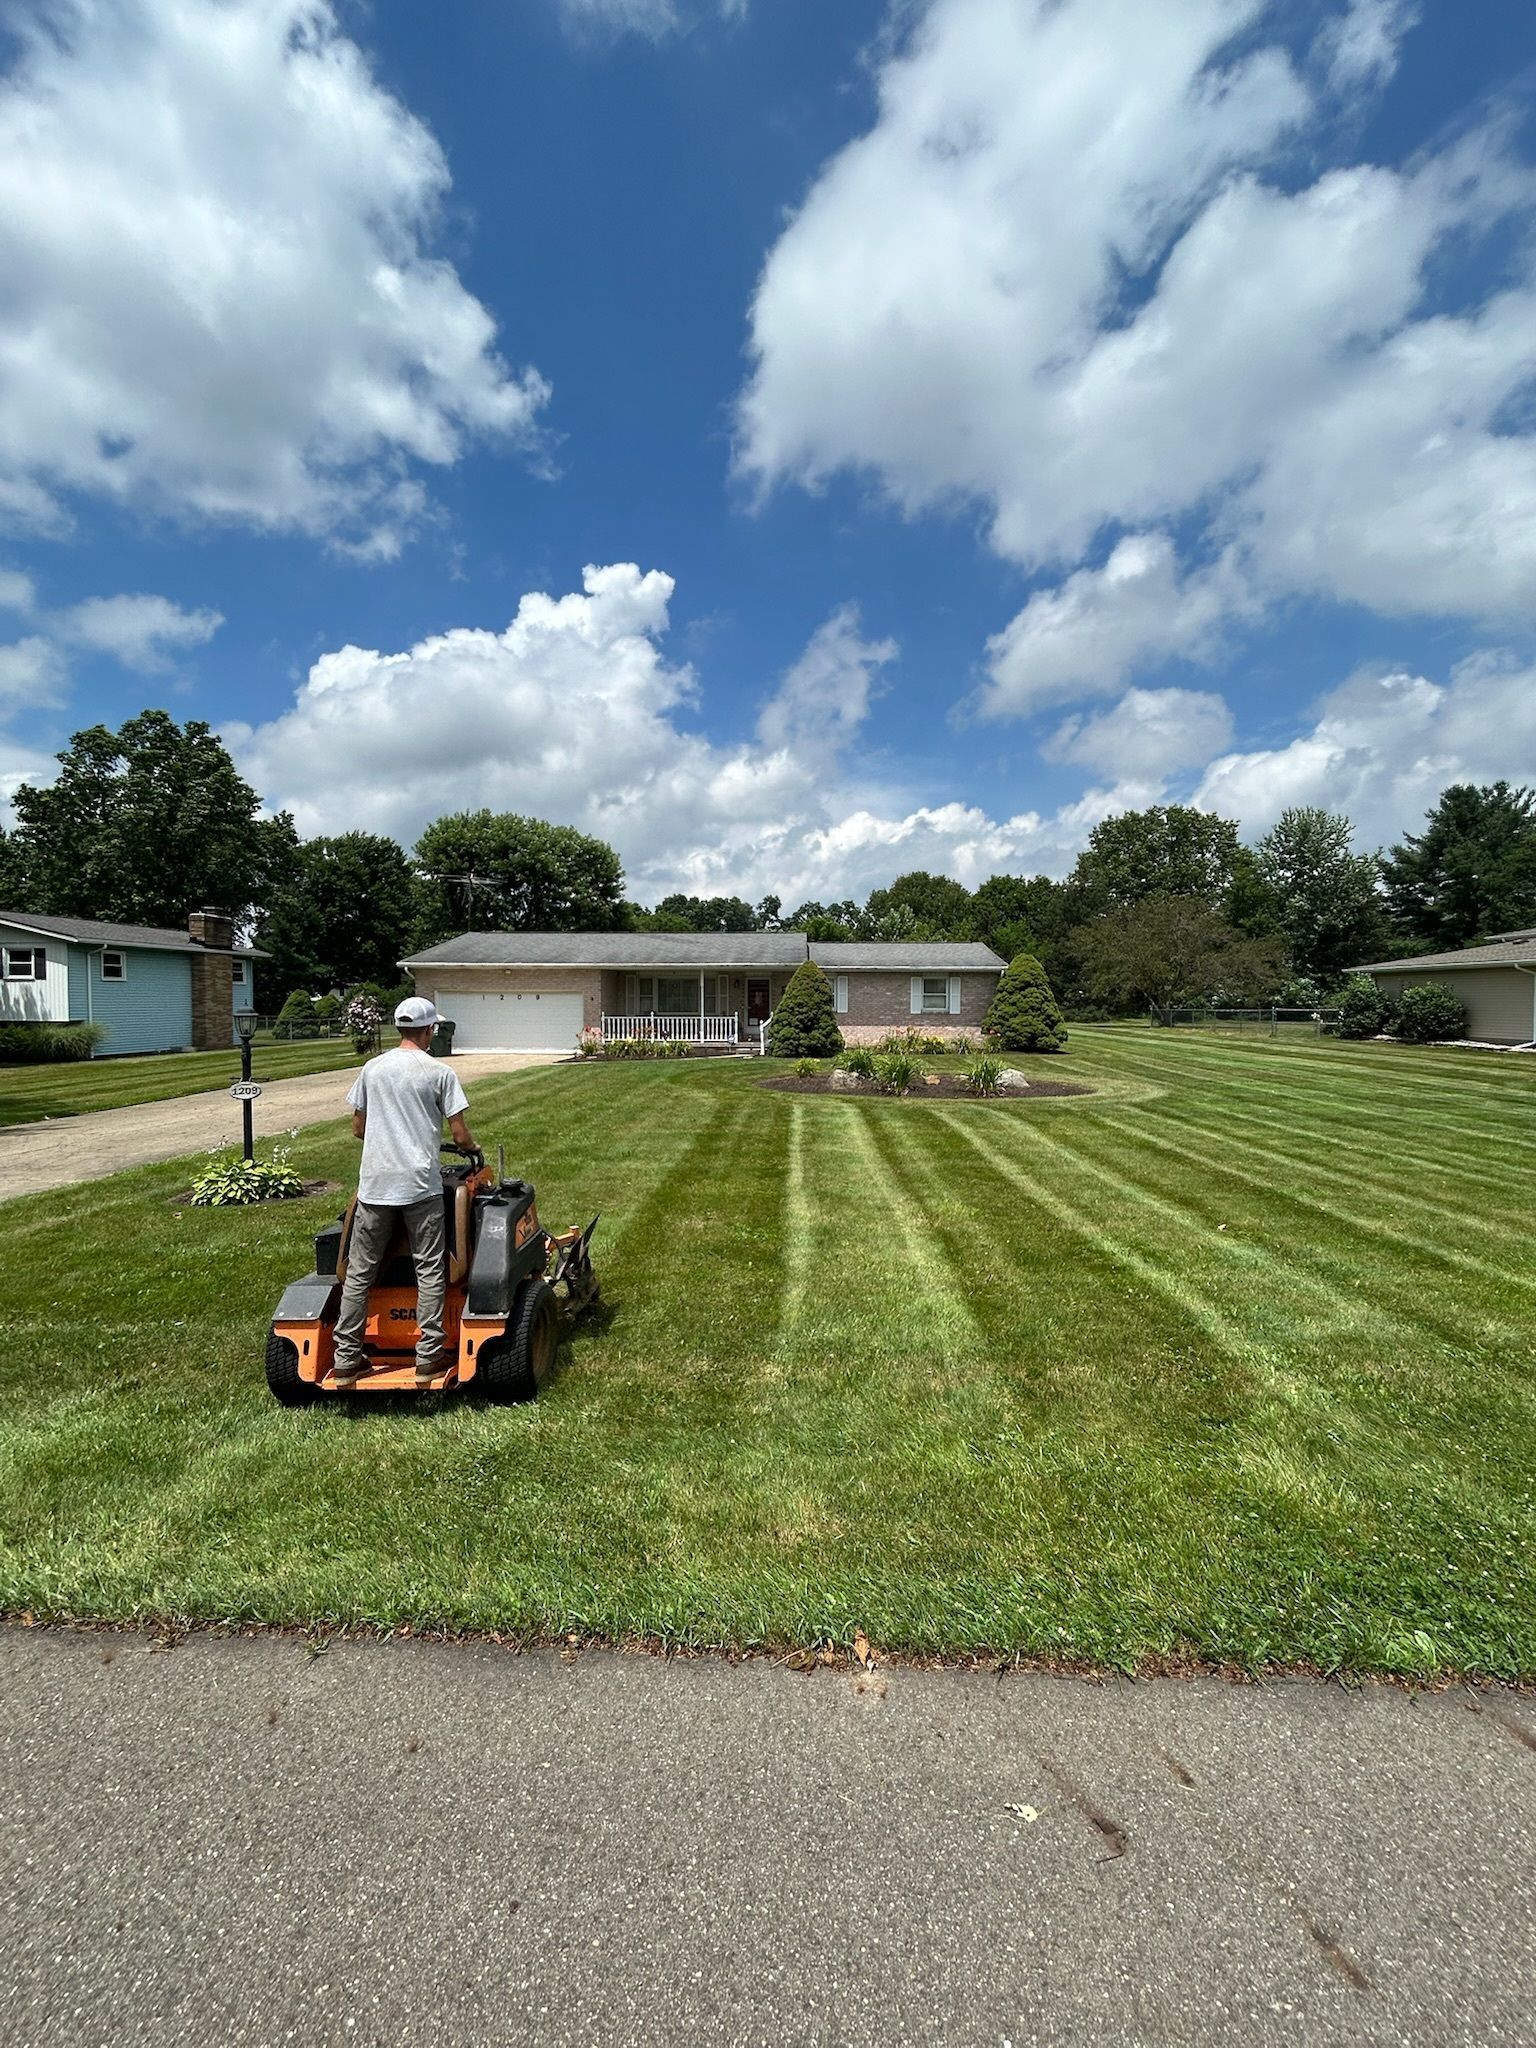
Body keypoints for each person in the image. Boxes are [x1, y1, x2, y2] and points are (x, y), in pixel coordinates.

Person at [333, 997, 478, 1388]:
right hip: (420, 1186)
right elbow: (460, 1135)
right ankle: (428, 1357)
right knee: (430, 1269)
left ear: (399, 1028)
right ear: (430, 1030)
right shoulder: (438, 1072)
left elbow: (359, 1129)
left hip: (375, 1184)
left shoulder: (372, 1069)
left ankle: (346, 1359)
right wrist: (471, 1149)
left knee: (360, 1272)